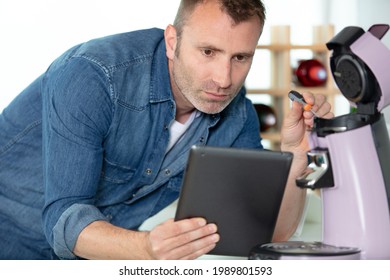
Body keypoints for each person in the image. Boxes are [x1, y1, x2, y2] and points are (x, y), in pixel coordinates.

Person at [0, 0, 333, 260]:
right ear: (173, 40)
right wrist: (145, 248)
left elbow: (272, 233)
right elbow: (64, 220)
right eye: (208, 52)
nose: (224, 79)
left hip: (95, 259)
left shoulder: (236, 113)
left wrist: (296, 150)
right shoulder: (93, 76)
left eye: (240, 57)